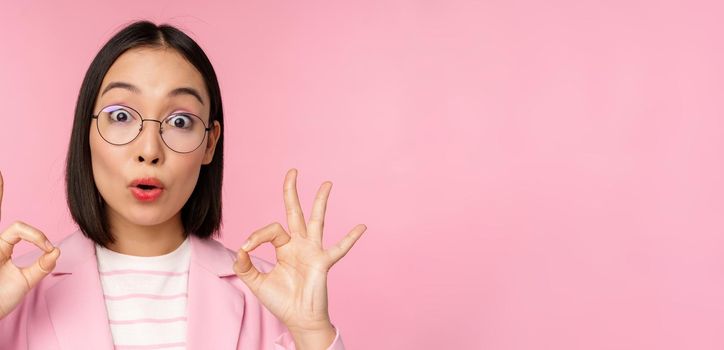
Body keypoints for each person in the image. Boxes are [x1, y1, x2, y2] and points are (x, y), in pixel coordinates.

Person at [0, 20, 366, 350]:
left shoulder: (272, 299)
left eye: (180, 121)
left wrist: (312, 333)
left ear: (210, 142)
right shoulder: (13, 294)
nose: (149, 150)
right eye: (121, 116)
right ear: (86, 131)